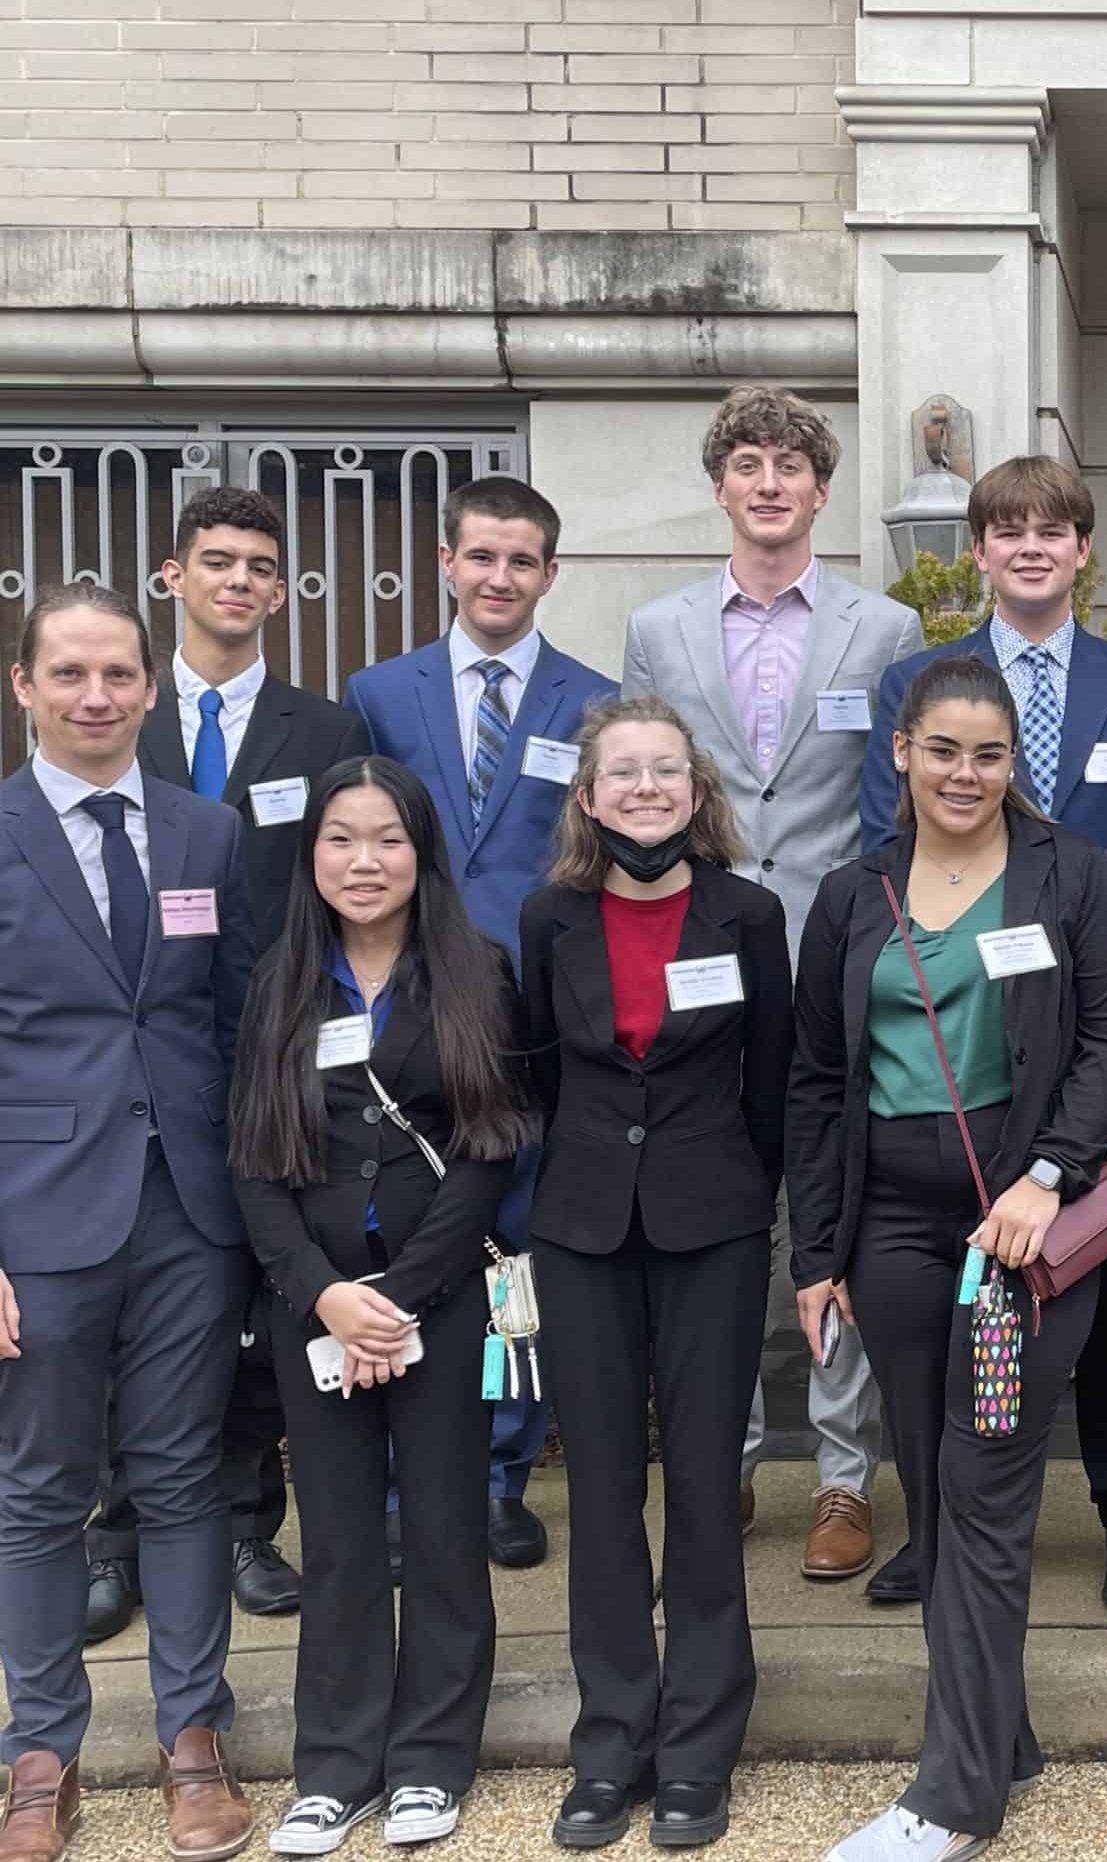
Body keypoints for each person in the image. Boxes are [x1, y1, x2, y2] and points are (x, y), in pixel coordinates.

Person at [798, 655, 1107, 1862]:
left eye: (987, 754)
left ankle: (951, 1796)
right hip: (890, 1233)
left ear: (1014, 764)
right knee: (937, 1495)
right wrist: (815, 1250)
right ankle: (1002, 1735)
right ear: (901, 750)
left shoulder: (1069, 876)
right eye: (942, 748)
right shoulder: (852, 893)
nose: (964, 772)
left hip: (1024, 1236)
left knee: (989, 1484)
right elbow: (815, 1080)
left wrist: (1046, 1174)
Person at [862, 454, 1107, 1614]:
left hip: (1097, 1028)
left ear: (1081, 551)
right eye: (1006, 529)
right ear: (977, 553)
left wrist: (1074, 895)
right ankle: (942, 1517)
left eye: (1051, 529)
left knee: (1099, 1278)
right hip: (957, 1029)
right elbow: (882, 838)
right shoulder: (919, 682)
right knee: (938, 1298)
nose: (1029, 547)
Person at [622, 383, 924, 1585]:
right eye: (746, 463)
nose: (767, 482)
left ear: (819, 488)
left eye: (789, 465)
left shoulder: (886, 627)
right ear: (720, 486)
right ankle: (731, 1447)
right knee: (715, 1200)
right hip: (702, 948)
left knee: (831, 1201)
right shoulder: (657, 628)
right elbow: (649, 783)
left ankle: (843, 1472)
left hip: (839, 947)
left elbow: (888, 797)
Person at [231, 757, 534, 1857]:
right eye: (342, 840)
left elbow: (488, 1146)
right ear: (312, 854)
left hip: (436, 1299)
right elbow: (256, 1160)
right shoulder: (279, 980)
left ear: (423, 851)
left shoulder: (474, 969)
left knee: (449, 1526)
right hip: (316, 1303)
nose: (366, 862)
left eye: (389, 840)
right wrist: (325, 1292)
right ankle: (337, 1764)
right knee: (343, 1536)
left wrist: (397, 1300)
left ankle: (430, 1759)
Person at [0, 582, 259, 1862]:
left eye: (118, 675)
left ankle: (192, 1738)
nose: (96, 696)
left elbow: (234, 1020)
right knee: (40, 1489)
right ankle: (39, 1754)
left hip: (188, 1212)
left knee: (178, 1475)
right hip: (37, 1218)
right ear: (25, 687)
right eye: (71, 674)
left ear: (153, 689)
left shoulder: (207, 833)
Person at [84, 489, 369, 1642]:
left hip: (274, 1041)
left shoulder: (325, 727)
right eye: (218, 561)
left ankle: (249, 1520)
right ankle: (121, 1533)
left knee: (257, 1288)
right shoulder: (122, 715)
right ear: (173, 577)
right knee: (121, 1286)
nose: (239, 582)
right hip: (138, 1046)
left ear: (281, 587)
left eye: (261, 565)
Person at [516, 697, 793, 1853]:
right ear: (587, 796)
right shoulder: (549, 917)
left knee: (701, 1489)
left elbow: (774, 1081)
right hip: (580, 1231)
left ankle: (697, 1749)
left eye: (664, 771)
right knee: (602, 1494)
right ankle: (611, 1740)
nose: (644, 789)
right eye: (621, 773)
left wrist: (740, 1193)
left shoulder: (750, 913)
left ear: (697, 791)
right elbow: (531, 1072)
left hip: (711, 1226)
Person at [345, 475, 618, 1571]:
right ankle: (415, 1477)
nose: (499, 577)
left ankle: (501, 1471)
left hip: (536, 1014)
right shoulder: (379, 692)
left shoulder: (592, 697)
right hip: (410, 1009)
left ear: (549, 574)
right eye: (481, 556)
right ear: (446, 564)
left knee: (514, 1239)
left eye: (521, 560)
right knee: (409, 1226)